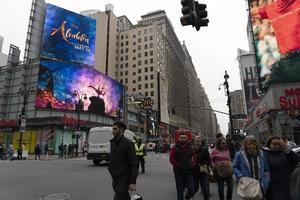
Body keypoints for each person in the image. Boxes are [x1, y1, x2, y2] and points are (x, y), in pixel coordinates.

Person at [108, 121, 138, 200]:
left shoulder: (128, 143)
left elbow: (134, 163)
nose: (113, 131)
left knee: (118, 197)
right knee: (124, 197)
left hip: (124, 177)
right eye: (113, 129)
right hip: (115, 177)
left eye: (115, 129)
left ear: (121, 130)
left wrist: (133, 181)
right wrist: (110, 168)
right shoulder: (113, 142)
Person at [169, 132, 197, 200]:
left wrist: (192, 164)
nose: (183, 139)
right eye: (182, 138)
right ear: (179, 138)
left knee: (192, 189)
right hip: (178, 172)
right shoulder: (174, 147)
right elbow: (171, 158)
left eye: (184, 138)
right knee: (180, 190)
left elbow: (195, 157)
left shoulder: (190, 147)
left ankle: (187, 197)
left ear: (186, 138)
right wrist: (178, 165)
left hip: (189, 172)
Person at [193, 136, 210, 200]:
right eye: (196, 141)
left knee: (206, 189)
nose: (198, 143)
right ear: (194, 142)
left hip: (203, 171)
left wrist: (205, 165)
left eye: (199, 141)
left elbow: (208, 160)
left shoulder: (204, 149)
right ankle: (188, 197)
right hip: (195, 172)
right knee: (195, 188)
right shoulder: (191, 150)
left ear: (201, 142)